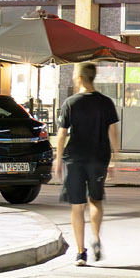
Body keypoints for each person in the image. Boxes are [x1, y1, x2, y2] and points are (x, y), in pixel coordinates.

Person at [52, 62, 121, 266]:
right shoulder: (106, 102)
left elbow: (62, 133)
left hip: (75, 159)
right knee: (96, 200)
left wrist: (58, 159)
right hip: (99, 157)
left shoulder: (71, 102)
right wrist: (115, 159)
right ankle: (97, 239)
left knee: (77, 205)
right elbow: (113, 132)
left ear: (80, 78)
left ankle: (81, 252)